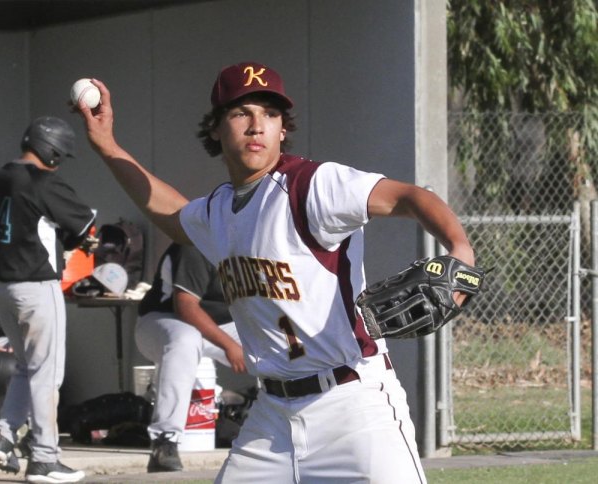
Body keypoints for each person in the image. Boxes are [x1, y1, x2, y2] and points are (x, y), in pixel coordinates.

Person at [76, 62, 475, 483]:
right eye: (240, 112)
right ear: (214, 128)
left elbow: (409, 197)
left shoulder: (312, 185)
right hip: (271, 419)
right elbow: (173, 214)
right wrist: (107, 146)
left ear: (283, 129)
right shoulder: (219, 210)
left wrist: (460, 249)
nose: (256, 126)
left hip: (353, 407)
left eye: (269, 113)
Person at [0, 116, 95, 483]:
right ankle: (44, 458)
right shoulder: (42, 181)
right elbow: (85, 225)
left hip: (3, 288)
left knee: (26, 368)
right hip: (37, 285)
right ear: (51, 150)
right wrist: (75, 241)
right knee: (46, 375)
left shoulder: (1, 175)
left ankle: (3, 436)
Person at [135, 242, 245, 473]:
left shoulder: (255, 242)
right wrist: (230, 346)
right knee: (185, 340)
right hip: (163, 321)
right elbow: (186, 307)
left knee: (279, 342)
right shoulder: (195, 241)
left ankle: (282, 426)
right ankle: (165, 441)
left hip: (221, 326)